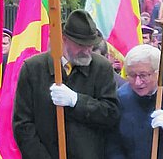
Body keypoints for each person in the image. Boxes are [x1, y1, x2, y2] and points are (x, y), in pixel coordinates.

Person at [13, 9, 120, 159]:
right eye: (81, 45)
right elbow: (22, 124)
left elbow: (111, 114)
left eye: (91, 45)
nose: (87, 50)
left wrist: (77, 101)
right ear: (63, 39)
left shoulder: (101, 68)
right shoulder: (33, 68)